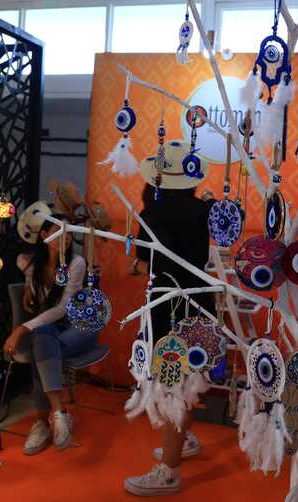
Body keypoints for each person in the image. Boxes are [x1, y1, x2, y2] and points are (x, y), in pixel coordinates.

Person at [124, 140, 215, 497]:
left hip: (167, 305)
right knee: (189, 376)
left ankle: (170, 471)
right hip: (200, 302)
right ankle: (184, 438)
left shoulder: (152, 215)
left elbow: (143, 264)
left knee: (172, 382)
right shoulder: (205, 210)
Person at [3, 186, 97, 455]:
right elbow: (22, 259)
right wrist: (28, 287)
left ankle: (43, 422)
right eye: (58, 232)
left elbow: (62, 309)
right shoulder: (31, 264)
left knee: (41, 345)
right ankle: (58, 414)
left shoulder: (76, 264)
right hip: (48, 331)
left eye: (68, 233)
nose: (65, 238)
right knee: (43, 342)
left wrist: (21, 329)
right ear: (44, 235)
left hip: (79, 327)